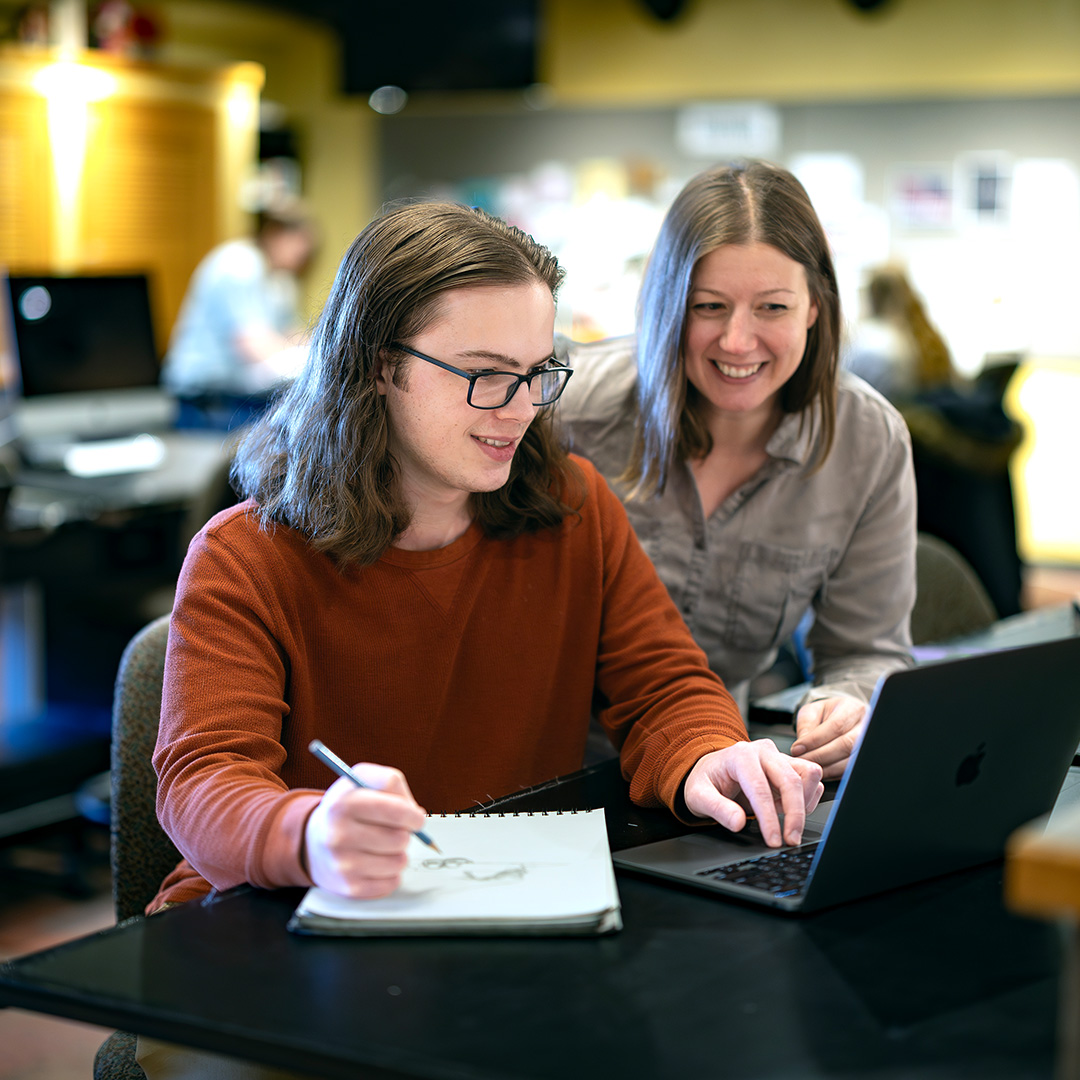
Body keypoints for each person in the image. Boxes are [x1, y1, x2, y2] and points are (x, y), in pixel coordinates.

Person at [149, 201, 824, 919]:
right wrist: (310, 831)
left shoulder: (572, 504)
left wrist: (707, 755)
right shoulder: (245, 556)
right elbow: (204, 782)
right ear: (380, 366)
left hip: (512, 905)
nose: (519, 409)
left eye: (536, 373)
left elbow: (663, 685)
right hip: (280, 917)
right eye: (486, 374)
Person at [556, 160, 918, 781]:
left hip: (718, 771)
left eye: (772, 306)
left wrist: (848, 703)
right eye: (709, 306)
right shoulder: (568, 411)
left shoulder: (867, 441)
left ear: (814, 306)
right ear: (668, 302)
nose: (737, 340)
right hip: (550, 773)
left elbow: (866, 649)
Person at [161, 197, 318, 431]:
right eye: (301, 243)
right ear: (275, 234)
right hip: (206, 401)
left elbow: (289, 333)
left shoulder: (279, 278)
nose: (305, 254)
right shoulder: (239, 265)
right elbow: (253, 346)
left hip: (237, 395)